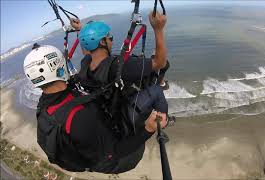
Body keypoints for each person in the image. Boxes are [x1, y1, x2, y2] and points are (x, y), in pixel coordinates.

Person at [23, 44, 167, 173]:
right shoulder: (81, 116)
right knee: (147, 102)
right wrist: (148, 130)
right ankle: (161, 120)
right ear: (59, 68)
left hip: (88, 148)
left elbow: (88, 63)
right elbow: (116, 151)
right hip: (119, 160)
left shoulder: (44, 105)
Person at [70, 11, 173, 135]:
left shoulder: (86, 63)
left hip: (106, 111)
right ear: (102, 42)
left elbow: (87, 51)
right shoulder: (119, 66)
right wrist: (158, 29)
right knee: (156, 91)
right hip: (122, 116)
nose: (112, 40)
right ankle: (163, 121)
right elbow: (160, 62)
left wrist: (80, 30)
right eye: (110, 37)